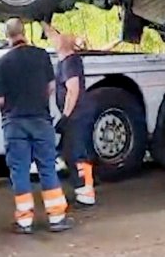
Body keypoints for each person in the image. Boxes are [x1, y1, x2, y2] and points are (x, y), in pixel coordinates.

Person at [0, 18, 73, 234]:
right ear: (24, 32)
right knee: (47, 167)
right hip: (41, 121)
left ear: (7, 36)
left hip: (15, 124)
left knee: (19, 171)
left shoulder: (2, 63)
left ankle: (25, 222)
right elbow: (50, 88)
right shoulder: (41, 56)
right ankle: (57, 218)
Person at [42, 21, 96, 208]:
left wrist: (65, 117)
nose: (53, 42)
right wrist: (44, 22)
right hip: (76, 114)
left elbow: (73, 90)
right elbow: (54, 35)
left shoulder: (70, 62)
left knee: (76, 153)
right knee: (69, 152)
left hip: (76, 115)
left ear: (61, 46)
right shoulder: (68, 60)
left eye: (57, 41)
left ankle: (86, 193)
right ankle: (82, 190)